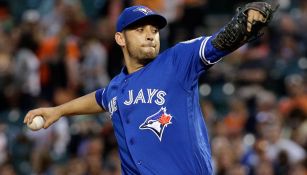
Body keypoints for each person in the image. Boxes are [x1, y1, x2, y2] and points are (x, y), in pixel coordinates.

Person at [24, 1, 278, 174]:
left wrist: (246, 22)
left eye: (154, 30)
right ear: (120, 38)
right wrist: (58, 110)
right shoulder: (117, 87)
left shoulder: (177, 61)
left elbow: (219, 42)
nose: (150, 34)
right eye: (140, 29)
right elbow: (101, 98)